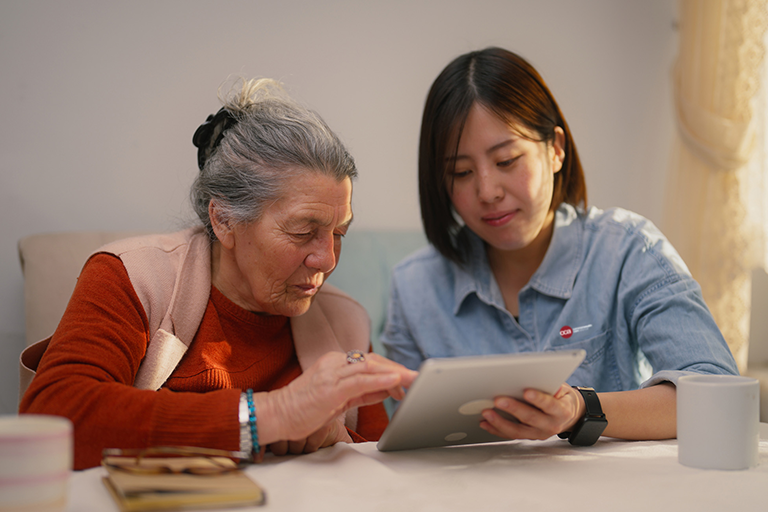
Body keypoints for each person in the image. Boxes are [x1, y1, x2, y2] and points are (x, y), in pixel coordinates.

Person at [19, 78, 417, 469]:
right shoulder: (132, 280)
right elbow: (56, 417)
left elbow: (377, 463)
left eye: (339, 233)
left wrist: (338, 437)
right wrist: (272, 415)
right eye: (302, 232)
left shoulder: (343, 322)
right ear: (224, 220)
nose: (327, 259)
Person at [381, 48, 738, 445]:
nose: (487, 191)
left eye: (506, 161)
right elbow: (406, 440)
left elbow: (717, 394)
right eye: (461, 173)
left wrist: (580, 409)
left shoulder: (627, 250)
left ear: (555, 149)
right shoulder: (414, 287)